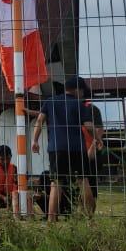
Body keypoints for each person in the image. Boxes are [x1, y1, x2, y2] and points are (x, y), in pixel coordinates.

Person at [31, 76, 96, 222]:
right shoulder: (80, 104)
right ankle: (90, 220)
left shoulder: (50, 101)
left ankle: (51, 220)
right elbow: (88, 125)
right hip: (77, 148)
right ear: (76, 90)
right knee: (83, 181)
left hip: (57, 148)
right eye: (82, 91)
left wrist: (35, 141)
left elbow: (39, 121)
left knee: (56, 183)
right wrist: (97, 138)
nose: (83, 94)